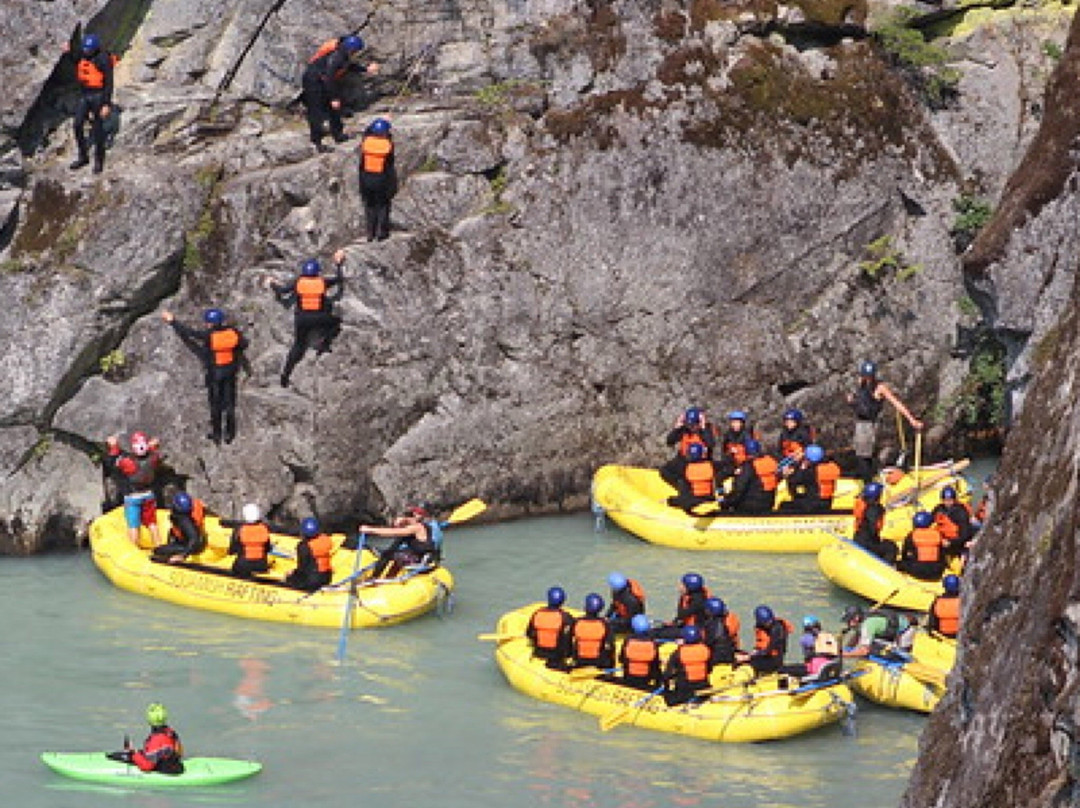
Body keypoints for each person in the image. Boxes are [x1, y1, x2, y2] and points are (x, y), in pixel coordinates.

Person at [162, 308, 248, 445]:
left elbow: (190, 333)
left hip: (215, 374)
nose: (206, 324)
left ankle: (217, 434)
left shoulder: (209, 336)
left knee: (215, 405)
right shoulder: (233, 332)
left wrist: (173, 321)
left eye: (207, 322)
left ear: (211, 323)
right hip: (230, 371)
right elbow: (244, 344)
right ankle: (230, 434)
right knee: (229, 403)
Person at [267, 251, 345, 387]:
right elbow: (338, 280)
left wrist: (272, 283)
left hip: (302, 319)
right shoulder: (322, 282)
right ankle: (324, 343)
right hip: (319, 318)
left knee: (298, 345)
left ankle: (285, 375)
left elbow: (283, 291)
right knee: (336, 322)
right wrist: (338, 264)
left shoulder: (299, 283)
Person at [847, 360, 924, 483]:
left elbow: (896, 403)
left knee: (864, 457)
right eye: (865, 376)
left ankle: (868, 484)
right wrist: (852, 402)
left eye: (869, 376)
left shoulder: (880, 388)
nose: (866, 379)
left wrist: (912, 420)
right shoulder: (860, 384)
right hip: (860, 424)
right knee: (860, 455)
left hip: (869, 425)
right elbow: (859, 403)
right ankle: (867, 479)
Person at [301, 34, 379, 152]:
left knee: (335, 110)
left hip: (323, 80)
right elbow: (329, 77)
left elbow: (348, 66)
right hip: (313, 81)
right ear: (351, 49)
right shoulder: (337, 56)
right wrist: (333, 98)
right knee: (316, 111)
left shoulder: (342, 52)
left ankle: (338, 134)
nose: (356, 53)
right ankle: (316, 142)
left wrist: (365, 69)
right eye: (356, 51)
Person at [68, 33, 117, 173]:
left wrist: (106, 104)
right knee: (77, 124)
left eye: (89, 49)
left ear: (95, 48)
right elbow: (75, 58)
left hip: (99, 96)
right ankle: (83, 157)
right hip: (85, 95)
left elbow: (109, 82)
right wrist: (69, 51)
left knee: (98, 129)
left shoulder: (103, 59)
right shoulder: (83, 55)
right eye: (85, 48)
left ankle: (99, 161)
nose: (86, 51)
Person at [104, 431, 163, 547]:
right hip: (149, 495)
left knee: (133, 526)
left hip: (132, 498)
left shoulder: (127, 463)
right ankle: (159, 546)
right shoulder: (154, 458)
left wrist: (113, 446)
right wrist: (153, 446)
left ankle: (133, 549)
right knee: (152, 523)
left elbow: (112, 462)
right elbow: (152, 452)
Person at [360, 505, 439, 579]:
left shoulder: (417, 527)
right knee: (392, 553)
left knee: (391, 555)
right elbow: (396, 542)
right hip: (422, 557)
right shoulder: (415, 526)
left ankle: (375, 578)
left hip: (424, 561)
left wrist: (369, 530)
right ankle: (388, 578)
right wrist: (402, 521)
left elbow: (392, 533)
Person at [109, 703, 184, 774]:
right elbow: (178, 752)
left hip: (165, 771)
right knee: (137, 753)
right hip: (174, 766)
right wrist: (138, 753)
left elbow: (147, 766)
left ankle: (109, 757)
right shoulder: (170, 732)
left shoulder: (156, 739)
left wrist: (133, 754)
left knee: (125, 756)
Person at [359, 117, 397, 241]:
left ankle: (370, 232)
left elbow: (366, 132)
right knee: (382, 205)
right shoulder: (388, 145)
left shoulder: (366, 142)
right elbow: (390, 162)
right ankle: (381, 232)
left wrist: (379, 121)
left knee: (369, 205)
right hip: (381, 178)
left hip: (366, 178)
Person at [659, 406, 716, 488]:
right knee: (665, 471)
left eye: (694, 425)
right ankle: (681, 487)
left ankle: (688, 487)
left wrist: (703, 428)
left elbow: (711, 444)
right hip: (683, 460)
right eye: (690, 425)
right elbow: (670, 442)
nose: (692, 427)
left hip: (700, 463)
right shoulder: (684, 430)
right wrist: (677, 428)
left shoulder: (707, 430)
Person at [719, 439, 777, 514]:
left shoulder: (748, 467)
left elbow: (739, 490)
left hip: (750, 506)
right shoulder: (771, 461)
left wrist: (725, 503)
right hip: (769, 503)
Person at [663, 625, 713, 705]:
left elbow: (667, 674)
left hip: (685, 691)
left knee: (669, 699)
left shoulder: (678, 653)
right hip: (703, 687)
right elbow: (710, 669)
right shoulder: (706, 650)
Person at [152, 492, 207, 564]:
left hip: (192, 547)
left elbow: (194, 538)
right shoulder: (192, 509)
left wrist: (183, 555)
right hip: (187, 541)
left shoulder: (184, 520)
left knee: (158, 551)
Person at [526, 586, 574, 669]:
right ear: (562, 601)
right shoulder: (566, 617)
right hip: (557, 655)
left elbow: (529, 633)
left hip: (539, 652)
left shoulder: (537, 613)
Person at [666, 442, 718, 513]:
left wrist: (670, 501)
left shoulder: (686, 468)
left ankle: (669, 501)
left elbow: (666, 470)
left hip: (694, 500)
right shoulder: (711, 465)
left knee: (680, 493)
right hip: (709, 498)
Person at [777, 444, 830, 514]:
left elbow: (795, 481)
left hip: (809, 503)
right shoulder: (826, 467)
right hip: (824, 502)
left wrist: (800, 467)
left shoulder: (808, 471)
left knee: (783, 506)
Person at [852, 482, 898, 563]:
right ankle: (885, 568)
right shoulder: (874, 509)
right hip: (867, 543)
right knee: (891, 547)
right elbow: (872, 528)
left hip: (859, 539)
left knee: (885, 544)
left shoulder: (864, 504)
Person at [284, 517, 334, 591]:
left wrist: (292, 574)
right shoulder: (325, 540)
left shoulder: (303, 547)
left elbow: (302, 568)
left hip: (312, 581)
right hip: (327, 577)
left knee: (290, 579)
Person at [741, 605, 793, 674]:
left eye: (769, 621)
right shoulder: (763, 628)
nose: (769, 623)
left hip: (773, 661)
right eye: (766, 622)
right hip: (766, 656)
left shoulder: (777, 630)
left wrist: (750, 657)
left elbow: (769, 650)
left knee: (747, 664)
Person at [897, 510, 947, 581]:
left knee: (900, 564)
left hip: (919, 571)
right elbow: (942, 553)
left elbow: (904, 554)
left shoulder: (912, 535)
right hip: (936, 571)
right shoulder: (938, 534)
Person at [570, 593, 615, 670]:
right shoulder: (605, 624)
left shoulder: (577, 622)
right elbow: (610, 646)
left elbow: (568, 638)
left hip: (580, 661)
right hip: (599, 662)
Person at [228, 503, 271, 578]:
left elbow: (232, 550)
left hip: (243, 565)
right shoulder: (264, 529)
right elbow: (267, 548)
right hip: (261, 565)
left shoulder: (239, 530)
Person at [619, 614, 661, 690]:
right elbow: (656, 663)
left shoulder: (628, 641)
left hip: (629, 676)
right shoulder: (652, 642)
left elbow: (621, 659)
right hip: (646, 678)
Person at [932, 486, 974, 560]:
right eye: (945, 500)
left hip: (956, 543)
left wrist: (951, 542)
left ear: (954, 500)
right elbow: (931, 522)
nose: (947, 502)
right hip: (943, 540)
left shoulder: (960, 512)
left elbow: (964, 534)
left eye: (950, 500)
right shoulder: (938, 509)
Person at [716, 410, 757, 478]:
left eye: (738, 422)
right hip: (731, 466)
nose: (736, 425)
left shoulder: (747, 436)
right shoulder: (728, 436)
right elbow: (724, 453)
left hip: (745, 467)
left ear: (742, 423)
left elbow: (751, 456)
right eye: (734, 422)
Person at [701, 597, 741, 664]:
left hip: (717, 656)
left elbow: (708, 641)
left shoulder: (713, 626)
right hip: (731, 651)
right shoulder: (730, 619)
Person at [928, 574, 961, 639]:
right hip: (959, 633)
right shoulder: (964, 601)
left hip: (943, 633)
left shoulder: (938, 601)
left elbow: (932, 621)